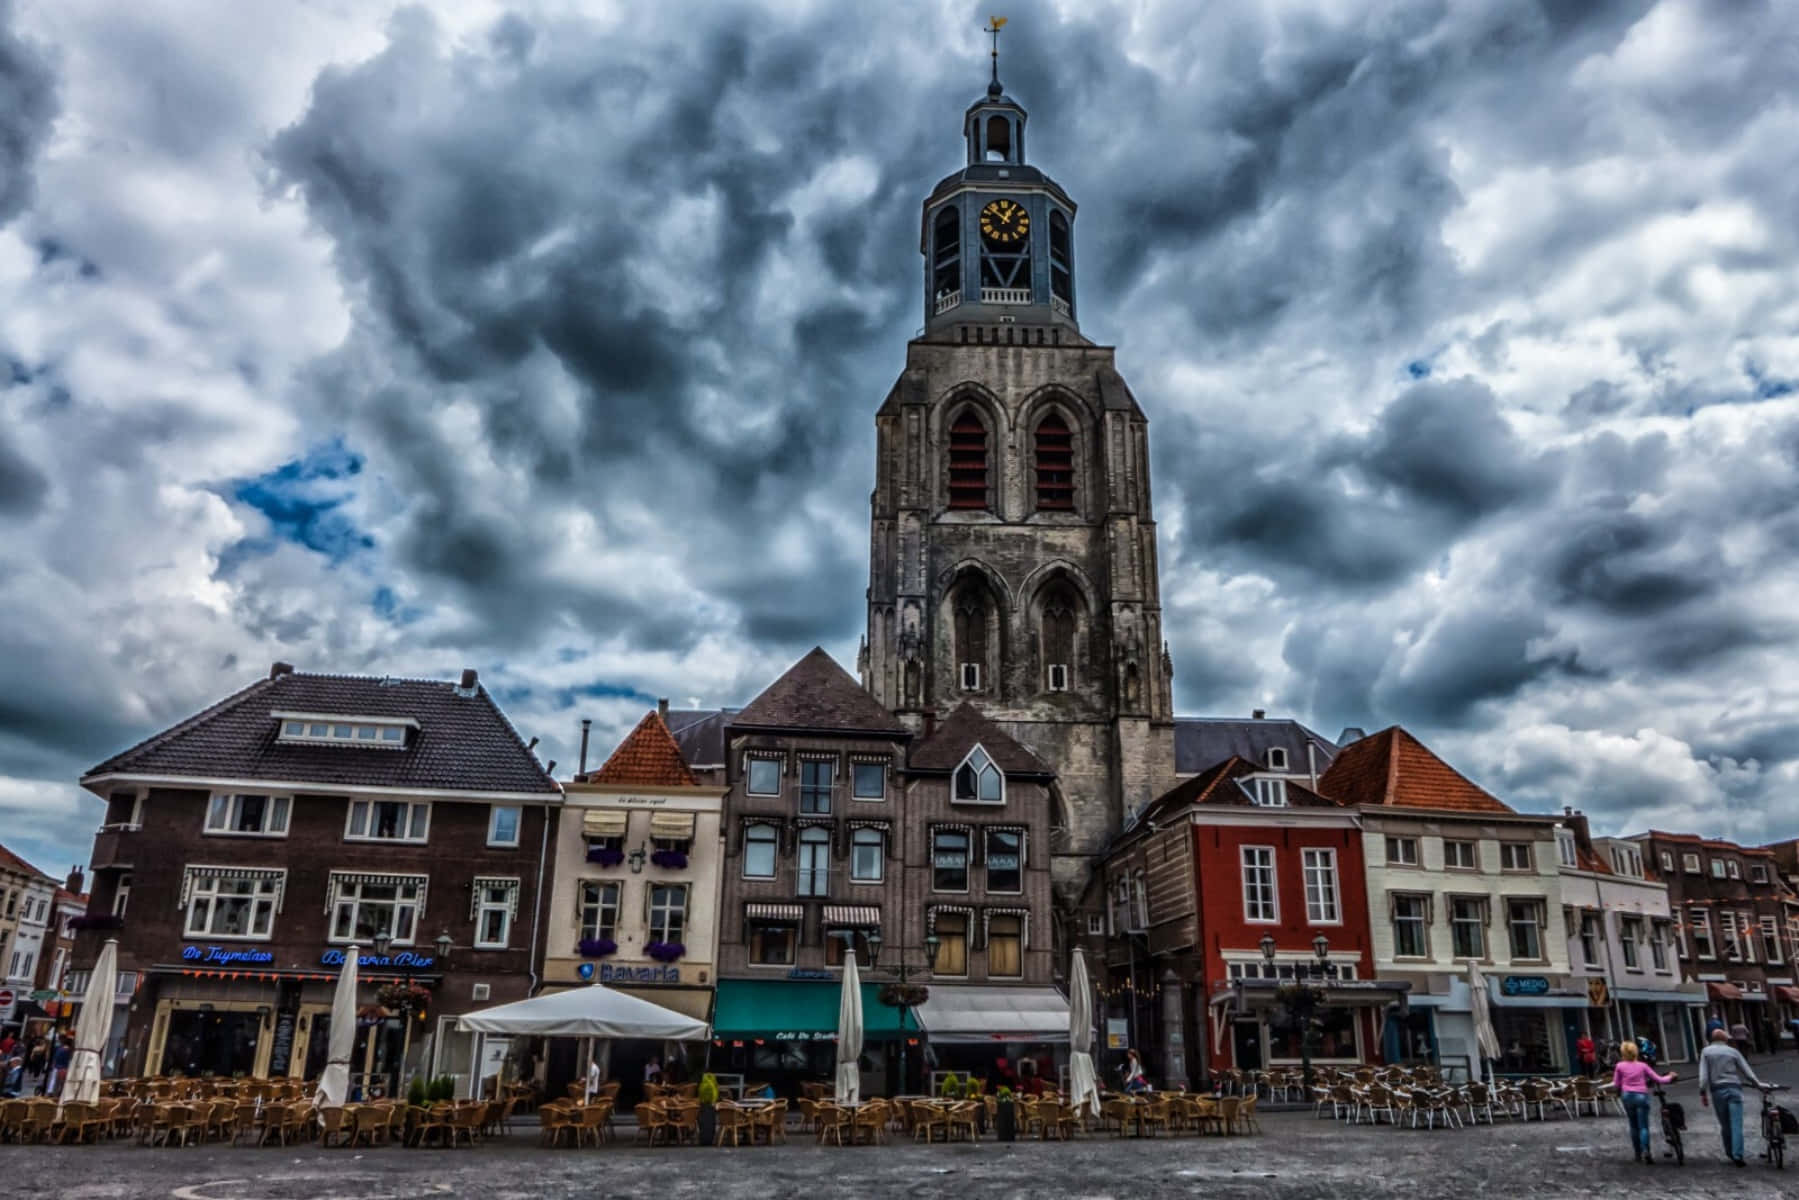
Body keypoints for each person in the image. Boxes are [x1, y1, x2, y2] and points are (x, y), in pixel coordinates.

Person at [1699, 1026, 1767, 1166]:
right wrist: (1758, 1084)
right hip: (1734, 1088)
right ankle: (1738, 1155)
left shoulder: (1706, 1052)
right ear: (1725, 1039)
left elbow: (1704, 1075)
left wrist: (1702, 1091)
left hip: (1718, 1090)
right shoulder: (1733, 1052)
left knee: (1725, 1124)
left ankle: (1729, 1151)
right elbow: (1747, 1071)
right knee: (1736, 1124)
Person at [1612, 1041, 1676, 1166]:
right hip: (1641, 1096)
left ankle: (1637, 1153)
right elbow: (1658, 1079)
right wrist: (1670, 1076)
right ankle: (1646, 1150)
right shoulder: (1642, 1066)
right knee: (1643, 1126)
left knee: (1633, 1125)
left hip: (1627, 1096)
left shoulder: (1619, 1066)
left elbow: (1616, 1084)